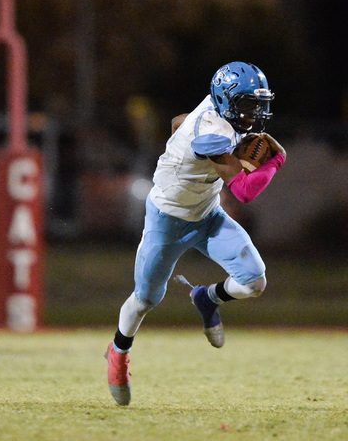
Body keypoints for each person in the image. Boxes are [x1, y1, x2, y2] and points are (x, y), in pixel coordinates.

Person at [105, 62, 287, 406]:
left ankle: (208, 298)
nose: (255, 113)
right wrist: (276, 161)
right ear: (228, 100)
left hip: (206, 215)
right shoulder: (212, 132)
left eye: (257, 104)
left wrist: (180, 142)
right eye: (248, 104)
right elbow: (245, 191)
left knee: (254, 281)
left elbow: (179, 121)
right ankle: (118, 352)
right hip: (167, 221)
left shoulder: (212, 110)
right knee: (145, 300)